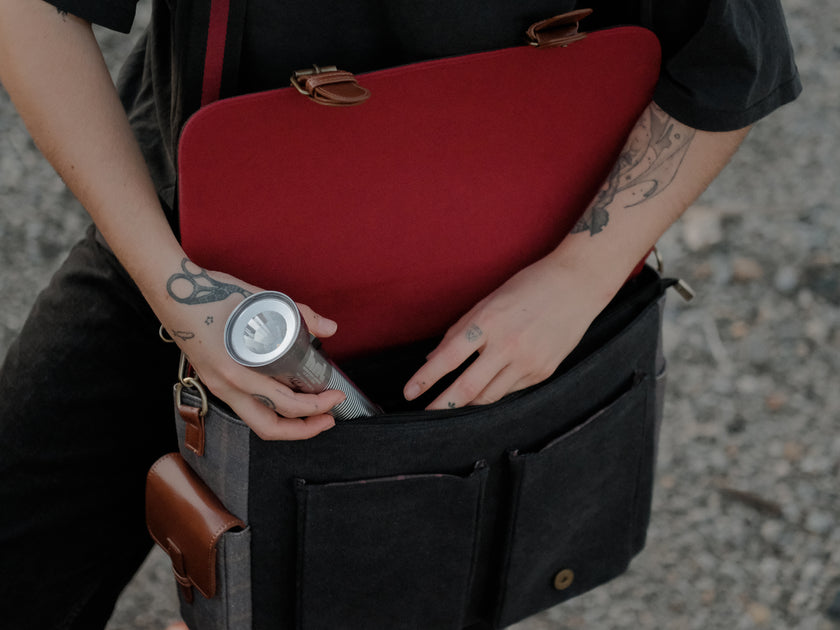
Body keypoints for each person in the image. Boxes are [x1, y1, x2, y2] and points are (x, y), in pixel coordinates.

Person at [0, 0, 800, 628]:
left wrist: (580, 276)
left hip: (492, 278)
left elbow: (731, 60)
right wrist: (174, 288)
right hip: (185, 237)